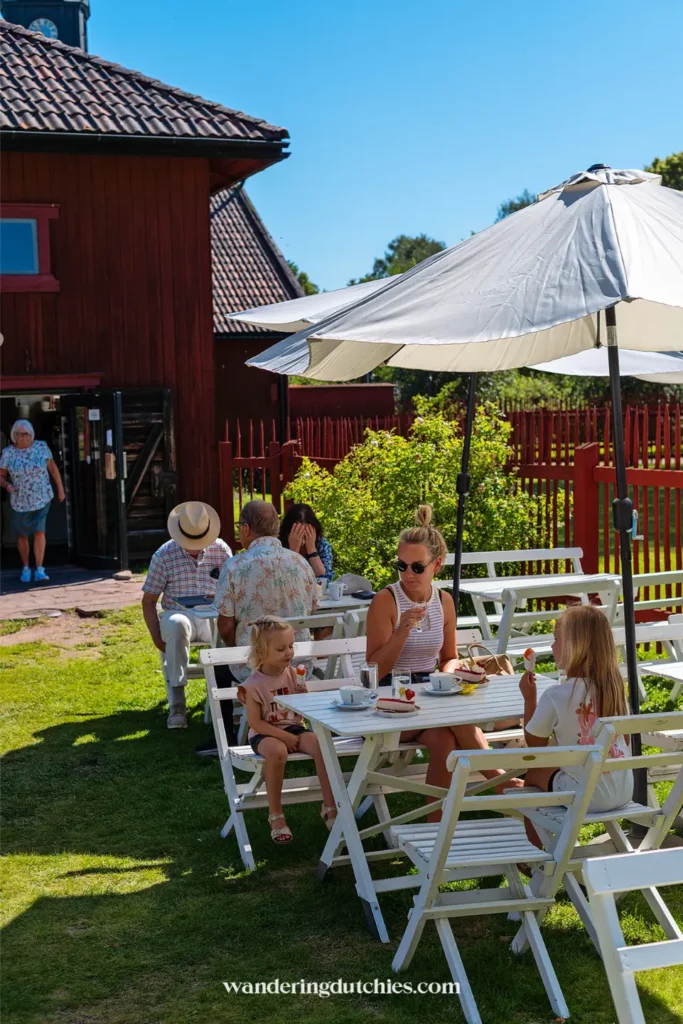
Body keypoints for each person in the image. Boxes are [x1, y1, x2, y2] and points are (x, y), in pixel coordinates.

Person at [366, 505, 503, 811]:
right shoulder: (385, 601)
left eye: (417, 567)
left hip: (429, 696)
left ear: (436, 565)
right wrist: (401, 631)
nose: (408, 574)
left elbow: (448, 658)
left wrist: (457, 673)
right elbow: (373, 670)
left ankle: (435, 828)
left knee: (444, 740)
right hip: (390, 700)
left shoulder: (444, 601)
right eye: (401, 565)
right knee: (459, 722)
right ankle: (503, 783)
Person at [520, 604, 633, 818]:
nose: (552, 647)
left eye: (556, 640)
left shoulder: (556, 695)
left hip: (586, 797)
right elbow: (625, 740)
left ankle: (536, 843)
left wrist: (529, 699)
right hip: (623, 792)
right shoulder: (614, 689)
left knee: (534, 773)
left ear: (575, 646)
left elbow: (535, 745)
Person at [238, 615, 337, 843]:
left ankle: (330, 805)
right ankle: (276, 815)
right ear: (262, 653)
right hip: (265, 735)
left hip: (294, 729)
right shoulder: (253, 686)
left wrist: (302, 695)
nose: (289, 653)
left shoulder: (293, 675)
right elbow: (255, 723)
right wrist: (282, 735)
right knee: (277, 751)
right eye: (281, 648)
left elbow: (302, 712)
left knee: (321, 745)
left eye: (291, 646)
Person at [141, 501, 232, 729]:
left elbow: (233, 591)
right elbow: (149, 601)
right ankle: (178, 702)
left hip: (213, 616)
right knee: (177, 624)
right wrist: (156, 638)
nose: (195, 546)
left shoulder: (221, 550)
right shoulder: (164, 555)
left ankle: (228, 699)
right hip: (178, 614)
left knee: (232, 626)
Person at [215, 500, 318, 671]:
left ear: (246, 529)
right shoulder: (300, 562)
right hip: (298, 666)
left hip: (253, 668)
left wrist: (236, 646)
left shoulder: (234, 566)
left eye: (239, 526)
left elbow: (225, 628)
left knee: (219, 669)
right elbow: (312, 609)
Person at [0, 419, 65, 583]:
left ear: (32, 435)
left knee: (39, 532)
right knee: (21, 535)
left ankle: (40, 569)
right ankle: (26, 568)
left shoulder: (41, 447)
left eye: (26, 434)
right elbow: (0, 476)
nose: (23, 437)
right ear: (14, 436)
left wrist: (60, 489)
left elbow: (53, 469)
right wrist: (6, 484)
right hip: (19, 501)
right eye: (19, 434)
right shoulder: (8, 452)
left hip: (41, 498)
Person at [280, 502, 334, 581]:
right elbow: (283, 578)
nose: (302, 542)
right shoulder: (278, 545)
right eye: (297, 534)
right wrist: (293, 552)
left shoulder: (322, 544)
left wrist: (312, 549)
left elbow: (324, 579)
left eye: (306, 534)